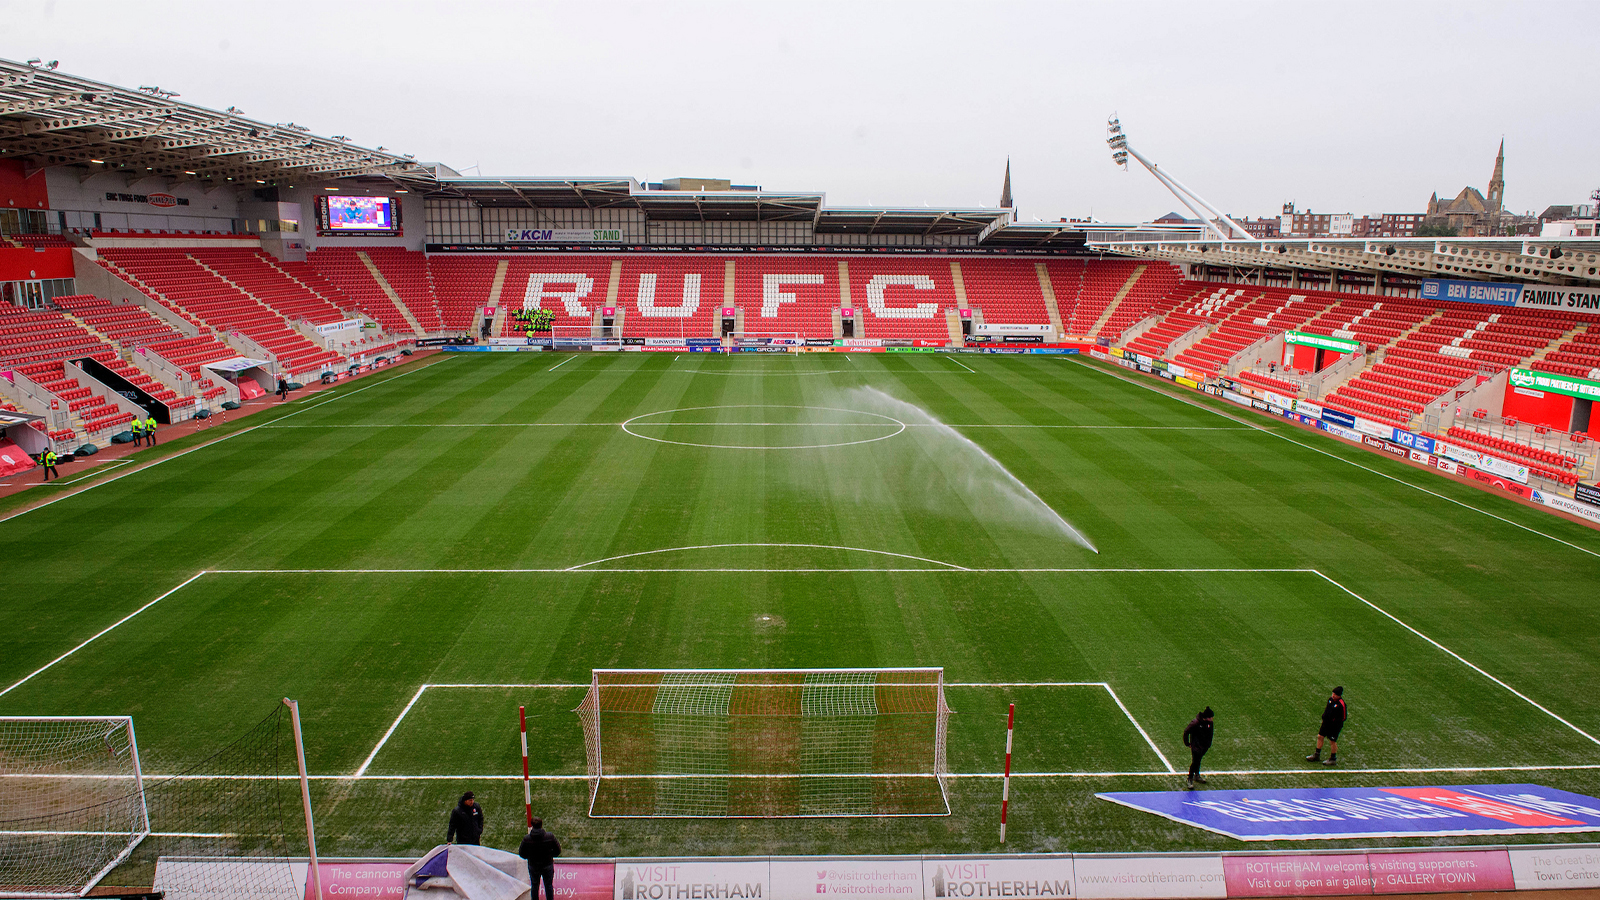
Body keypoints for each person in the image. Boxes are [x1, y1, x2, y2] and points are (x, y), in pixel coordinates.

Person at [518, 816, 562, 900]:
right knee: (548, 885)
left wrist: (530, 857)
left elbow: (521, 853)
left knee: (534, 886)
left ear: (532, 825)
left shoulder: (527, 839)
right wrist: (550, 856)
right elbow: (558, 850)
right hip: (547, 864)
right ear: (541, 825)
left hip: (533, 866)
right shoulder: (549, 837)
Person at [1306, 686, 1347, 765]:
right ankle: (1317, 754)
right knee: (1320, 736)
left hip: (1335, 726)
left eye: (1335, 694)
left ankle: (1333, 759)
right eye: (1333, 693)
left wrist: (1334, 723)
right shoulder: (1330, 700)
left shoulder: (1341, 704)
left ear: (1339, 695)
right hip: (1326, 723)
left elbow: (1344, 717)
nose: (1333, 695)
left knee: (1332, 741)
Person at [1182, 707, 1214, 786]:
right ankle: (1190, 778)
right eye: (1211, 717)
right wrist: (1187, 743)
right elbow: (1186, 732)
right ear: (1206, 717)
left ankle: (1197, 775)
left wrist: (1208, 744)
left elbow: (1210, 734)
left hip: (1204, 746)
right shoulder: (1195, 723)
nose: (1212, 719)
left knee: (1198, 761)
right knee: (1195, 762)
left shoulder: (1210, 723)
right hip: (1196, 746)